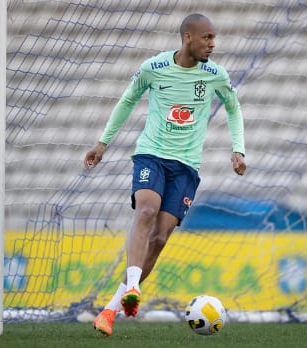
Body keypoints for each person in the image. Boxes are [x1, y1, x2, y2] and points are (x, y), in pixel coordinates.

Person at [84, 13, 246, 336]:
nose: (212, 45)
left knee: (159, 239)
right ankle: (133, 287)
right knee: (146, 209)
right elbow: (128, 99)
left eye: (214, 39)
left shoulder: (215, 75)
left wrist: (238, 149)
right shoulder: (153, 68)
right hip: (152, 155)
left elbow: (233, 107)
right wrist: (102, 144)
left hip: (186, 167)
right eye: (207, 38)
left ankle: (111, 309)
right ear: (188, 38)